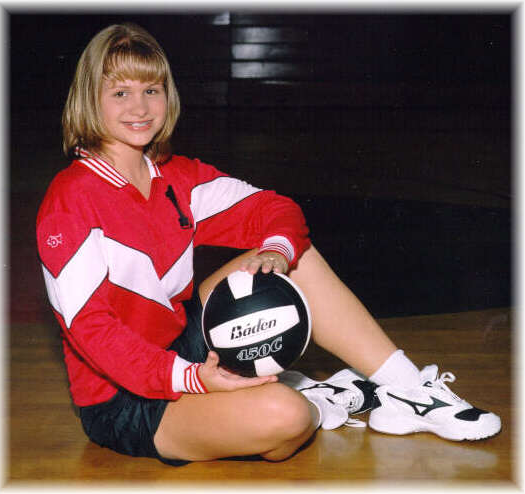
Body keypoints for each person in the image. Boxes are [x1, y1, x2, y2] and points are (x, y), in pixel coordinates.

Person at [36, 22, 501, 466]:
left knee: (294, 258)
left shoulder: (176, 177)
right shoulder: (69, 202)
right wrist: (192, 378)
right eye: (120, 93)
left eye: (151, 90)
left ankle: (407, 392)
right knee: (285, 419)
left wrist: (276, 250)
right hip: (124, 398)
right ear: (90, 100)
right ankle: (321, 398)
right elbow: (92, 331)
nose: (139, 107)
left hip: (183, 341)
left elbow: (274, 208)